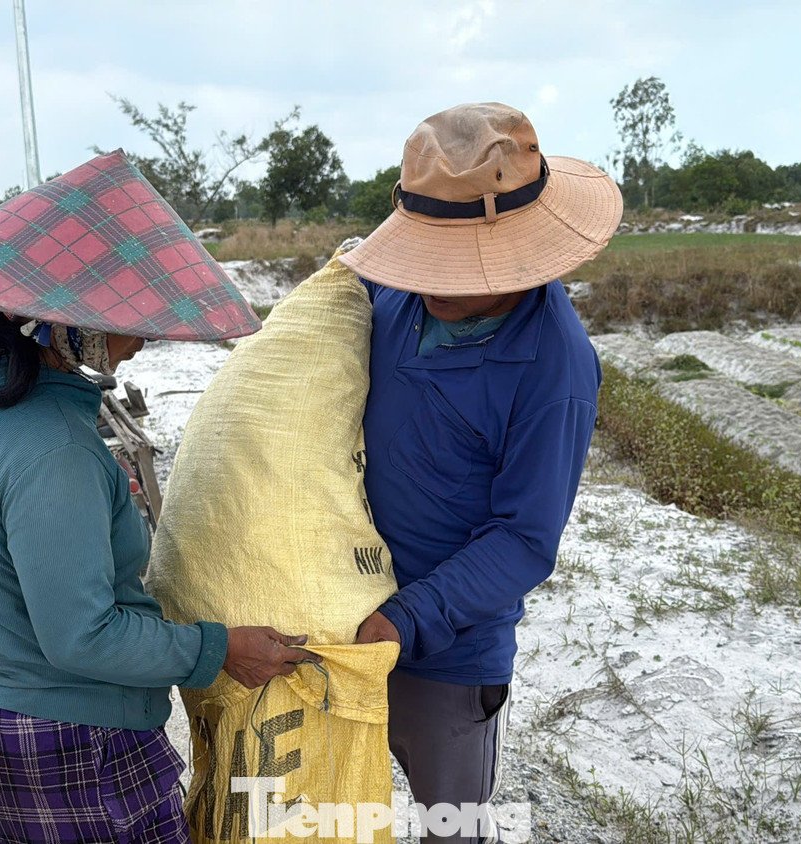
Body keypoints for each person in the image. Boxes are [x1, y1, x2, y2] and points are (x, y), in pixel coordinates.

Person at [0, 151, 315, 843]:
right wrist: (217, 648)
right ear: (61, 323)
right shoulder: (51, 449)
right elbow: (81, 637)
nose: (144, 336)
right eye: (130, 316)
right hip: (74, 747)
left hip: (2, 717)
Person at [343, 103, 622, 842]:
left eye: (451, 264)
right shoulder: (393, 294)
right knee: (333, 810)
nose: (429, 279)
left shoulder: (555, 366)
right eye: (422, 255)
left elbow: (525, 539)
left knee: (450, 825)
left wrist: (406, 619)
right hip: (342, 602)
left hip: (450, 647)